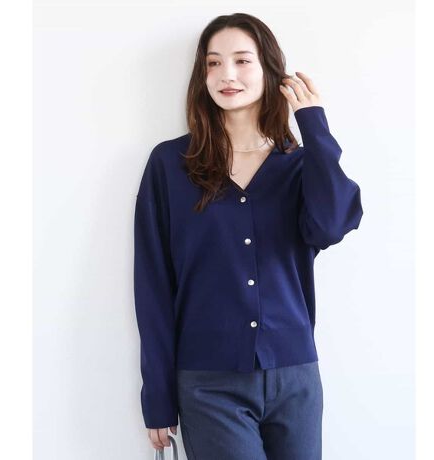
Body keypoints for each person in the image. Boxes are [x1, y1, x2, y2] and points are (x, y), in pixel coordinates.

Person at [134, 12, 363, 460]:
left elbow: (333, 224)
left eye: (242, 60)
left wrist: (313, 124)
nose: (227, 74)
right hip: (208, 384)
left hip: (295, 378)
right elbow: (153, 286)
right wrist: (157, 396)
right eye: (213, 63)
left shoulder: (299, 165)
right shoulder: (170, 165)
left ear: (269, 70)